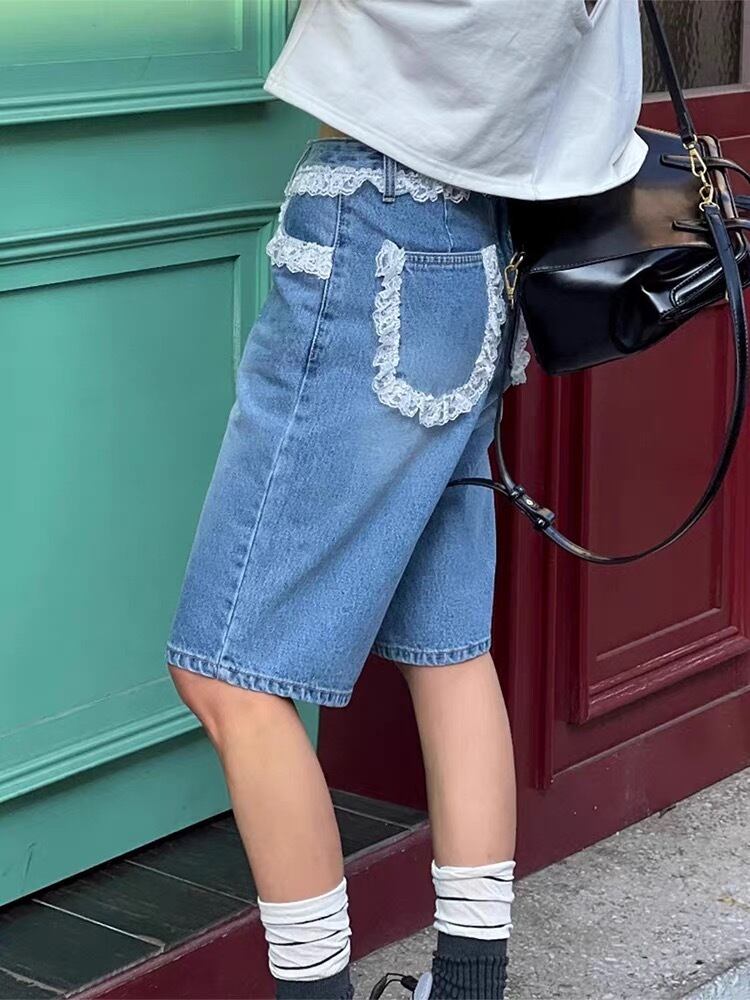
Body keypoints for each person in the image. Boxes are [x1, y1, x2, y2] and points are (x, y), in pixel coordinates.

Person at [165, 2, 644, 997]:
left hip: (373, 226)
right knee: (448, 650)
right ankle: (468, 987)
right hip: (478, 246)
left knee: (229, 676)